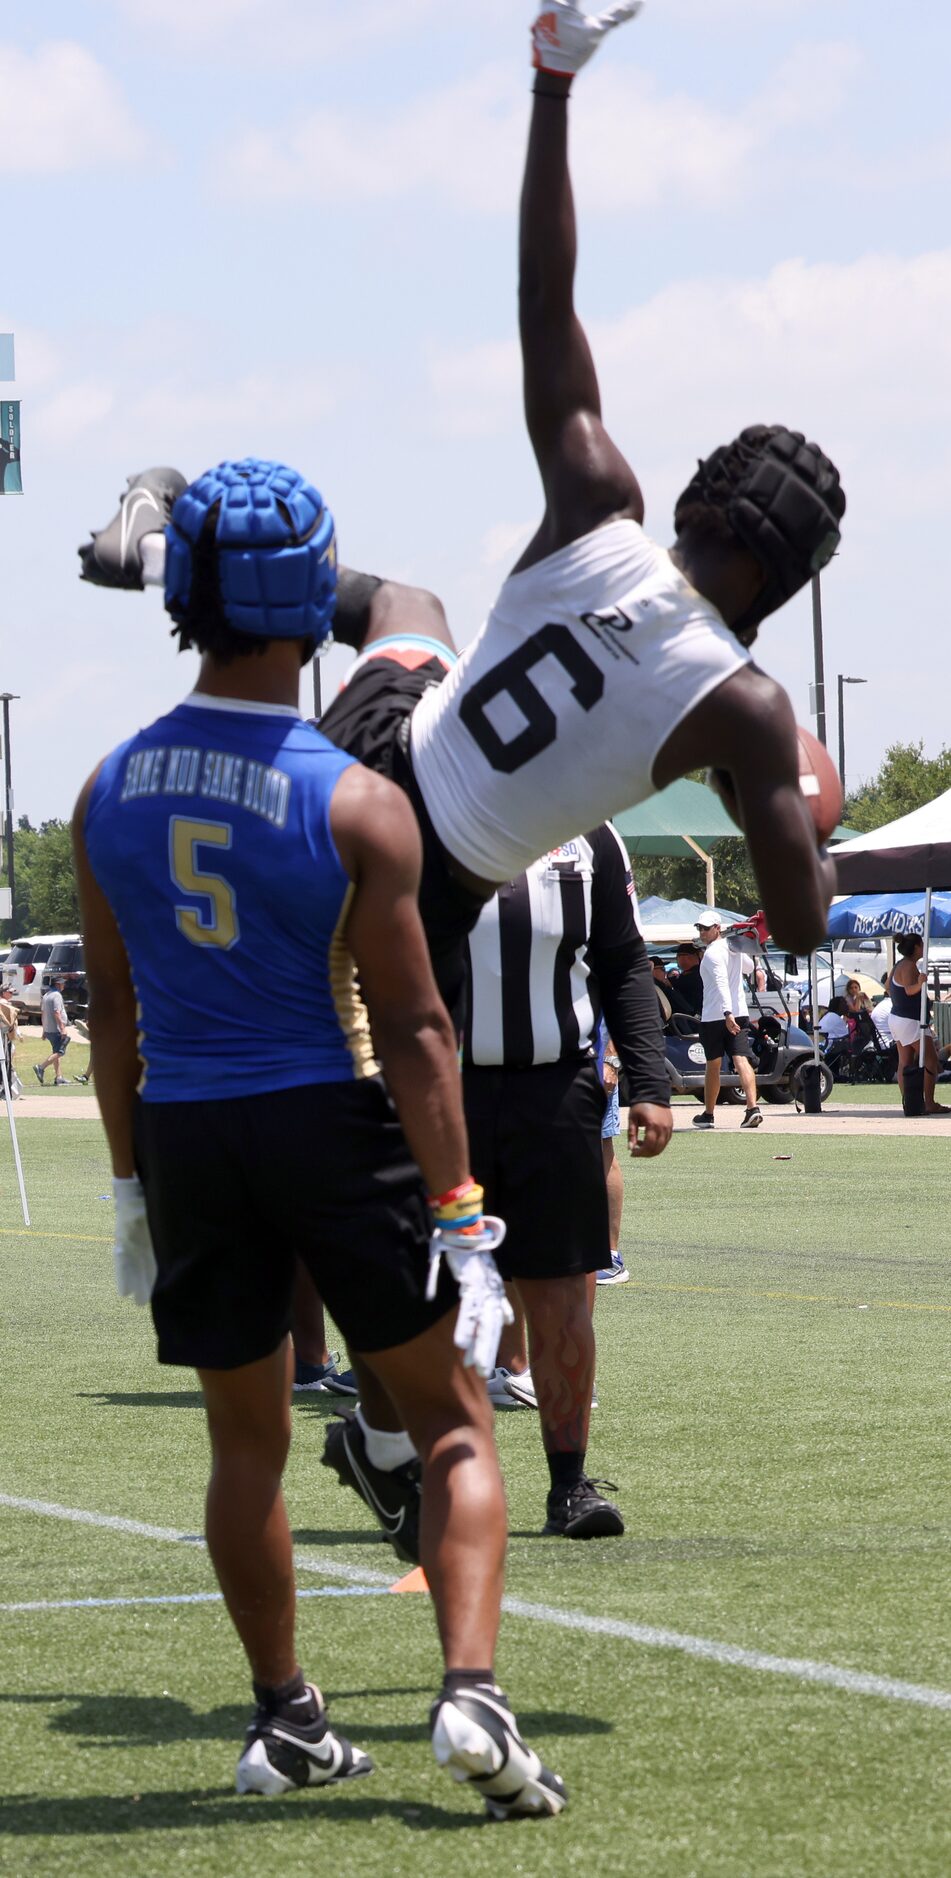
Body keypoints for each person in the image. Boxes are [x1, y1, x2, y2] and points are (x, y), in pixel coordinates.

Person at [80, 5, 843, 1002]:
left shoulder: (598, 504)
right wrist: (806, 824)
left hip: (380, 738)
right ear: (781, 590)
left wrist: (554, 81)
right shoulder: (745, 704)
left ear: (697, 501)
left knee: (411, 609)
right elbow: (797, 927)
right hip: (417, 865)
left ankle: (167, 547)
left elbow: (544, 294)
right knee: (386, 1086)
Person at [72, 457, 565, 1821]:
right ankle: (470, 1692)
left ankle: (287, 1714)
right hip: (327, 1124)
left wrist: (126, 1183)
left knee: (244, 1443)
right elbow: (411, 1029)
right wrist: (462, 1212)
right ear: (309, 602)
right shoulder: (353, 796)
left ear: (182, 597)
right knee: (454, 1422)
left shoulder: (107, 786)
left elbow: (112, 1015)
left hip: (186, 1131)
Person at [326, 822, 671, 1545]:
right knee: (427, 1298)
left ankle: (568, 1484)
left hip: (557, 1091)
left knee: (560, 1294)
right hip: (436, 1092)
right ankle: (414, 1467)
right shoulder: (425, 821)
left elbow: (622, 960)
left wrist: (648, 1081)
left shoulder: (591, 837)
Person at [692, 913, 762, 1129]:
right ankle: (752, 1108)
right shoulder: (734, 948)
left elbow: (722, 983)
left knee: (713, 1064)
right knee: (741, 1058)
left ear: (717, 928)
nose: (702, 932)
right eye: (700, 928)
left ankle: (709, 1114)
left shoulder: (713, 953)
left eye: (706, 928)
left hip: (717, 1015)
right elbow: (750, 968)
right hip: (738, 1011)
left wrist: (726, 1013)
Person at [888, 936, 948, 1115]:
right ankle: (928, 1102)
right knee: (930, 1059)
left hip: (898, 1018)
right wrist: (920, 983)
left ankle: (910, 1101)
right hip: (910, 1020)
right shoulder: (908, 965)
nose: (924, 948)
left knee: (905, 1062)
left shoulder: (899, 964)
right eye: (922, 945)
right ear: (916, 947)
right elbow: (909, 990)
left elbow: (888, 986)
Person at [595, 1025, 629, 1286]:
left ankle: (610, 1255)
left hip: (595, 1061)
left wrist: (611, 1060)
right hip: (552, 1063)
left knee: (602, 1148)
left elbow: (617, 1004)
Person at [34, 977, 70, 1086]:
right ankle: (41, 1067)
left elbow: (43, 1014)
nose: (64, 986)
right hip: (56, 1029)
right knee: (60, 1052)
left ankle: (59, 1077)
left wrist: (44, 1030)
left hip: (49, 1029)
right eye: (62, 984)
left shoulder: (46, 995)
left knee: (56, 1052)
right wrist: (63, 1028)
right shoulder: (57, 995)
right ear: (58, 984)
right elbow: (56, 1013)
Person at [671, 944, 703, 1017]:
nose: (677, 958)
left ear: (692, 956)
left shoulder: (694, 975)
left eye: (679, 955)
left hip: (694, 1018)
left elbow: (680, 982)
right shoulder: (699, 972)